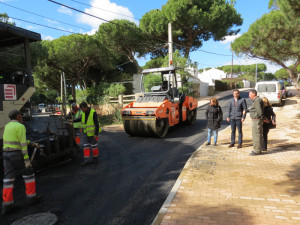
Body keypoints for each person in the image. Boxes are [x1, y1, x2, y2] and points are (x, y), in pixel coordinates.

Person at [2, 110, 42, 214]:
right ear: (18, 116)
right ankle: (31, 198)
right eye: (21, 115)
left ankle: (7, 204)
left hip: (6, 154)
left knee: (8, 179)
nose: (22, 117)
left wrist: (31, 143)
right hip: (17, 154)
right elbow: (22, 145)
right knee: (29, 174)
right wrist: (26, 160)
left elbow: (14, 140)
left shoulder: (7, 126)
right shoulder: (20, 126)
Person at [75, 102, 101, 167]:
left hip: (92, 134)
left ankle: (95, 158)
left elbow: (96, 124)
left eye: (82, 109)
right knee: (86, 147)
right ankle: (86, 160)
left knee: (94, 146)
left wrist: (96, 134)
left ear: (85, 107)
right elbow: (81, 119)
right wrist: (74, 120)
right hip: (85, 133)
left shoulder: (93, 112)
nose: (82, 110)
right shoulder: (83, 113)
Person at [248, 90, 264, 155]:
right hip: (256, 120)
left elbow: (259, 110)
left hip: (257, 120)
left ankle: (257, 150)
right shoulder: (256, 100)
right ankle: (257, 149)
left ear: (254, 94)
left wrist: (262, 117)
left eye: (250, 94)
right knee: (257, 135)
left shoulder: (257, 100)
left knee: (256, 136)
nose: (249, 96)